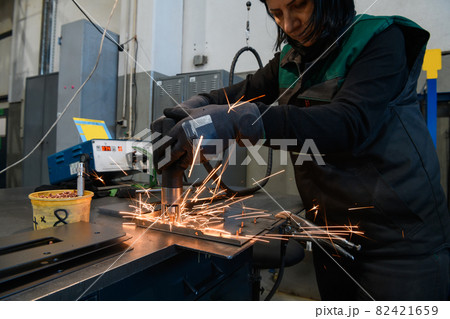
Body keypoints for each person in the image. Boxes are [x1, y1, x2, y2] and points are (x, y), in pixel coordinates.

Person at [151, 0, 450, 301]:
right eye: (277, 13)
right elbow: (243, 92)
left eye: (298, 6)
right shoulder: (289, 60)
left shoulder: (381, 39)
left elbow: (347, 124)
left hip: (400, 244)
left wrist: (240, 121)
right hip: (332, 237)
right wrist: (192, 107)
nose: (289, 24)